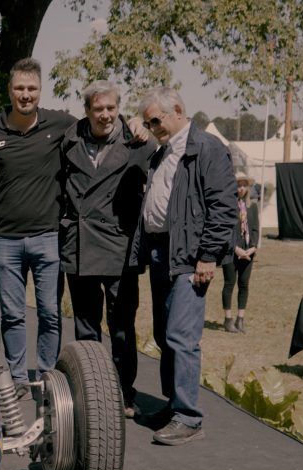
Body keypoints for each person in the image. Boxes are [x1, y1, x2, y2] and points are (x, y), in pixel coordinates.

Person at [129, 87, 237, 445]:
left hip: (190, 256)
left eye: (155, 121)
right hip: (163, 252)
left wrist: (208, 255)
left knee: (181, 336)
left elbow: (223, 206)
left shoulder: (206, 148)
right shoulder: (164, 150)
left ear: (177, 109)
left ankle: (188, 417)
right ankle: (174, 406)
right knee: (164, 335)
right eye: (147, 123)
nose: (152, 128)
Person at [0, 58, 74, 390]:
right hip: (5, 240)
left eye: (31, 88)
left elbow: (100, 126)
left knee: (50, 313)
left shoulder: (61, 124)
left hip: (48, 237)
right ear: (9, 90)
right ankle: (16, 380)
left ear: (40, 90)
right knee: (13, 315)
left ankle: (45, 377)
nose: (25, 95)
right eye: (19, 88)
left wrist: (133, 125)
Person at [60, 80, 157, 418]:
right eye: (98, 109)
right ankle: (90, 392)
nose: (105, 115)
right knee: (86, 327)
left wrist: (140, 123)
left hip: (120, 247)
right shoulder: (68, 141)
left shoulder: (139, 143)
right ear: (87, 110)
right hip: (80, 246)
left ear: (119, 108)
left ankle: (124, 392)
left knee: (122, 327)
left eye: (111, 108)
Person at [222, 171, 259, 334]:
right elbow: (225, 231)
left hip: (248, 252)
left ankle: (240, 319)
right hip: (231, 251)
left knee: (244, 284)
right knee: (229, 283)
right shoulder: (227, 206)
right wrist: (236, 248)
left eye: (244, 185)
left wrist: (253, 248)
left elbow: (255, 230)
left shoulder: (252, 207)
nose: (241, 188)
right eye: (238, 185)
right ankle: (228, 319)